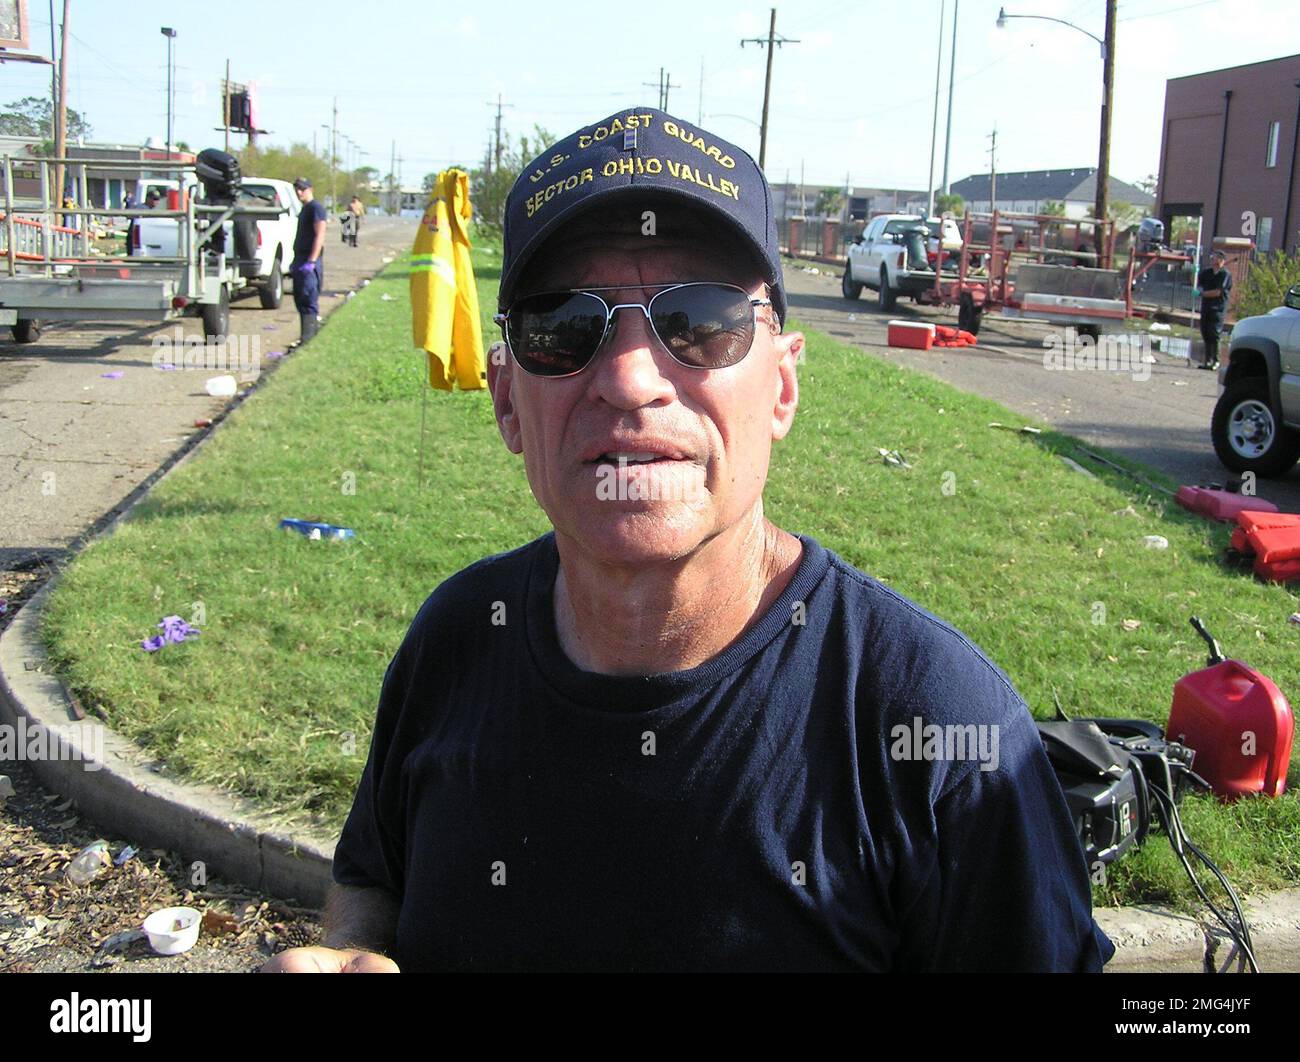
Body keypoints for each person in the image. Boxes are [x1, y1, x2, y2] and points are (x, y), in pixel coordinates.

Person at [263, 108, 1115, 973]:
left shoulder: (941, 732)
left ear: (782, 387)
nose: (632, 380)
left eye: (701, 321)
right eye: (564, 325)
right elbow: (373, 878)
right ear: (507, 401)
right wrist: (349, 949)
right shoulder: (453, 639)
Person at [290, 177, 327, 343]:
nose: (299, 192)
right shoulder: (304, 209)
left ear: (310, 189)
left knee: (308, 299)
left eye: (302, 189)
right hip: (299, 259)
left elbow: (320, 235)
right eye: (297, 189)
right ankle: (305, 336)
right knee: (300, 299)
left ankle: (309, 338)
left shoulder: (316, 208)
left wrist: (311, 261)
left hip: (309, 261)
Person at [1196, 249, 1232, 370]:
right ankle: (1207, 360)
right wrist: (1193, 273)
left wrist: (1202, 294)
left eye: (1216, 257)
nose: (1213, 259)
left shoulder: (1224, 274)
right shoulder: (1207, 273)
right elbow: (1197, 283)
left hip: (1218, 308)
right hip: (1206, 307)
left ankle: (1216, 360)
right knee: (1205, 333)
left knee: (1214, 334)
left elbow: (1218, 292)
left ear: (1221, 260)